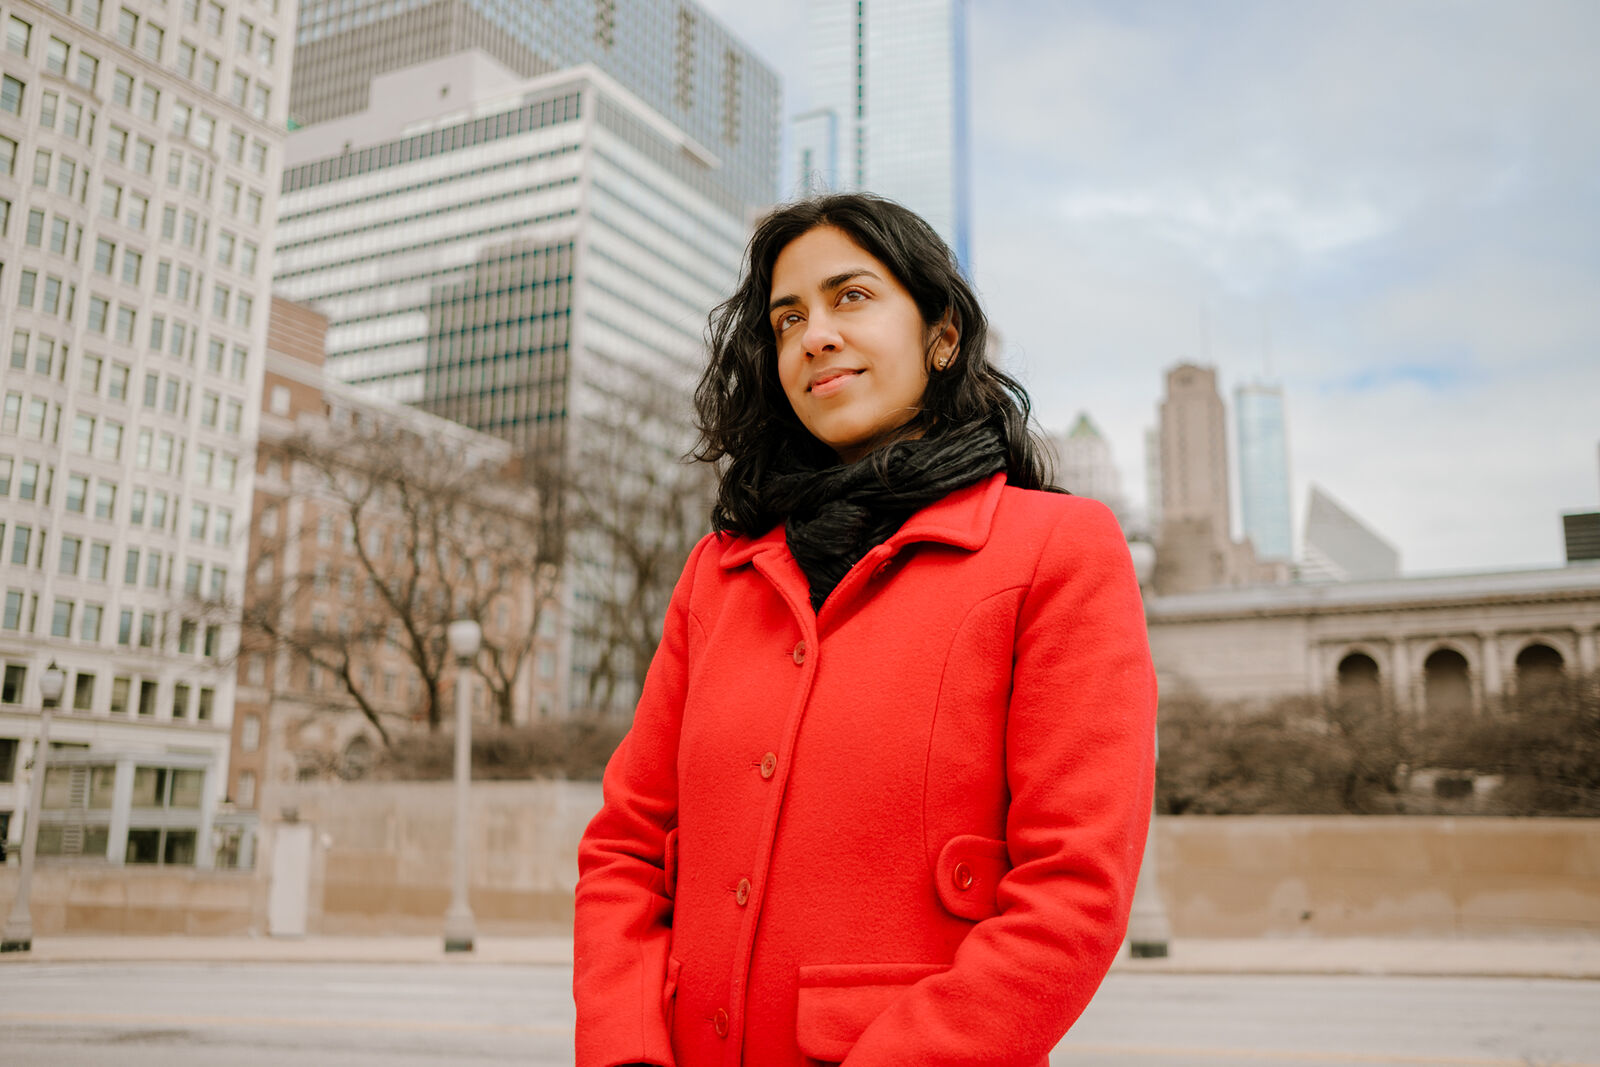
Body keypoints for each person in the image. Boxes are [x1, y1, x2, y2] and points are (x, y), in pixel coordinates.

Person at [573, 193, 1156, 1067]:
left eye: (851, 297)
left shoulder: (1057, 551)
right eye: (788, 317)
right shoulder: (719, 574)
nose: (814, 334)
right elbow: (625, 849)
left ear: (942, 336)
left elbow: (1072, 889)